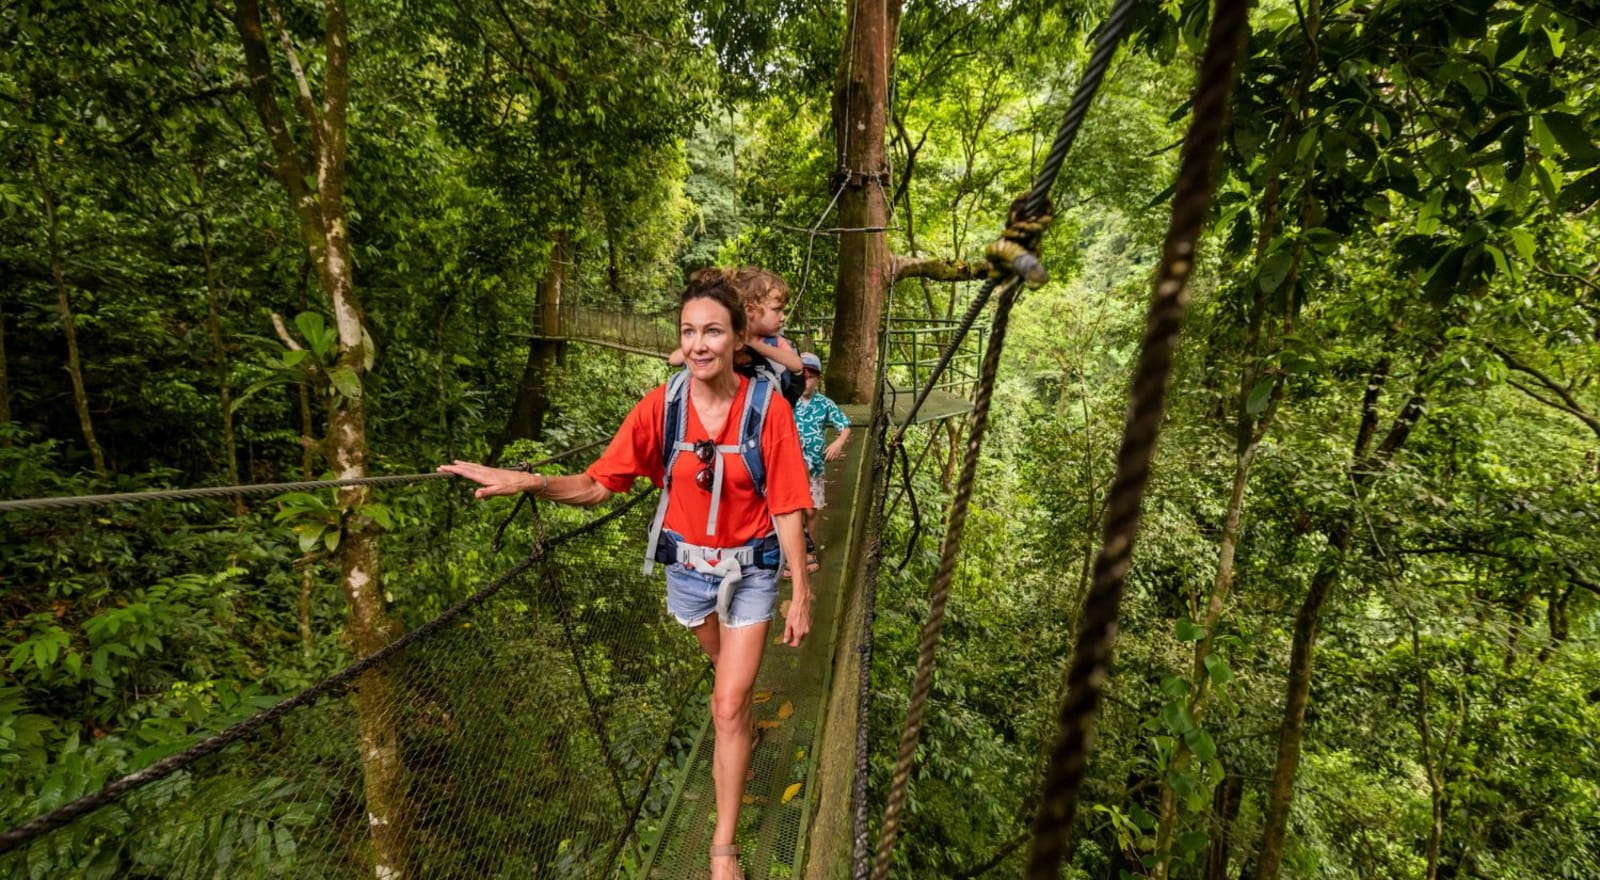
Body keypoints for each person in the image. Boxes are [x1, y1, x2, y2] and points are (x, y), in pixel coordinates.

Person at [439, 269, 813, 880]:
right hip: (689, 574)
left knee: (726, 702)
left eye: (713, 331)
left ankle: (724, 849)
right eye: (689, 331)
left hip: (752, 570)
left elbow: (789, 503)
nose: (698, 345)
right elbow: (595, 484)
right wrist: (530, 481)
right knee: (731, 697)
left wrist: (802, 590)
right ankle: (741, 730)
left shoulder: (766, 409)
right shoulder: (659, 409)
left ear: (738, 337)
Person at [670, 266, 804, 404]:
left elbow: (796, 365)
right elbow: (674, 360)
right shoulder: (723, 340)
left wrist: (755, 346)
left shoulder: (774, 341)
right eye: (777, 310)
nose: (783, 317)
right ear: (750, 310)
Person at [792, 352, 852, 574]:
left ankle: (809, 547)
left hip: (815, 467)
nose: (805, 382)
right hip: (792, 467)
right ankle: (798, 551)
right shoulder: (789, 401)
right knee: (797, 508)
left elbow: (844, 426)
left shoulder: (824, 404)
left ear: (818, 378)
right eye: (802, 376)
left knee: (811, 510)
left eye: (810, 377)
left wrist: (838, 443)